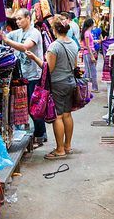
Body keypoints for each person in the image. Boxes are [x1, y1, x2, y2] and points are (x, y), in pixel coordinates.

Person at [25, 14, 78, 159]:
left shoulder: (54, 46)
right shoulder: (73, 43)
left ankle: (60, 149)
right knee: (67, 114)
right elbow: (74, 65)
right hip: (70, 82)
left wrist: (34, 58)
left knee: (58, 116)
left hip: (58, 84)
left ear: (54, 29)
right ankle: (67, 146)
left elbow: (48, 69)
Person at [1, 9, 47, 146]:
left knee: (34, 107)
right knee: (27, 106)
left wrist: (7, 40)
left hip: (34, 75)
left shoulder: (34, 33)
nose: (18, 22)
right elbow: (4, 35)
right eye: (16, 20)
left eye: (20, 19)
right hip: (23, 75)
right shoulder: (18, 33)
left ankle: (41, 134)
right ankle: (38, 133)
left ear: (28, 18)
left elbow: (25, 47)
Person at [80, 17, 99, 92]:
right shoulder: (87, 33)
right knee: (91, 71)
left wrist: (97, 41)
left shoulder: (87, 32)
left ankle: (86, 87)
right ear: (91, 24)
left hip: (88, 53)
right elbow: (87, 45)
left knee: (89, 70)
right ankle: (92, 87)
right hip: (88, 53)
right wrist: (92, 56)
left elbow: (89, 43)